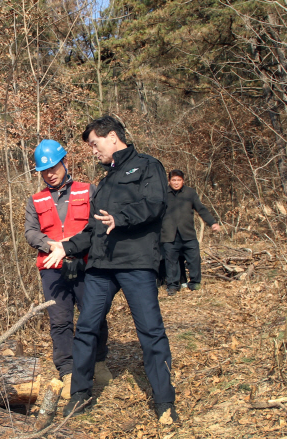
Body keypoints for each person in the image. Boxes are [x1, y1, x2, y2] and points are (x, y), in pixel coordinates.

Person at [44, 116, 178, 423]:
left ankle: (164, 403)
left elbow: (156, 204)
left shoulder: (147, 166)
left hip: (135, 263)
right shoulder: (104, 184)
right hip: (102, 267)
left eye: (94, 143)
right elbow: (93, 230)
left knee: (150, 332)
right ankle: (80, 394)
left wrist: (122, 217)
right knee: (87, 328)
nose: (92, 151)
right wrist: (66, 247)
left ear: (112, 137)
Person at [25, 139, 112, 400]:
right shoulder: (36, 200)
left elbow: (98, 226)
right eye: (44, 170)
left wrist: (74, 249)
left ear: (65, 162)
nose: (50, 173)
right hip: (52, 268)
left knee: (93, 314)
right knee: (60, 320)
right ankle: (67, 370)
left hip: (86, 264)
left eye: (53, 167)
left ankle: (98, 362)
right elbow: (30, 232)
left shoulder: (88, 190)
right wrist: (50, 245)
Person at [161, 169, 221, 295]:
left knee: (194, 259)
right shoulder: (163, 193)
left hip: (187, 233)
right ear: (169, 181)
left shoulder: (190, 193)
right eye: (173, 180)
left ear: (183, 181)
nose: (176, 183)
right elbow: (153, 212)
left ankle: (195, 283)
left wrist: (212, 223)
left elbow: (201, 209)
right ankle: (172, 285)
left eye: (179, 180)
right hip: (169, 234)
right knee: (171, 261)